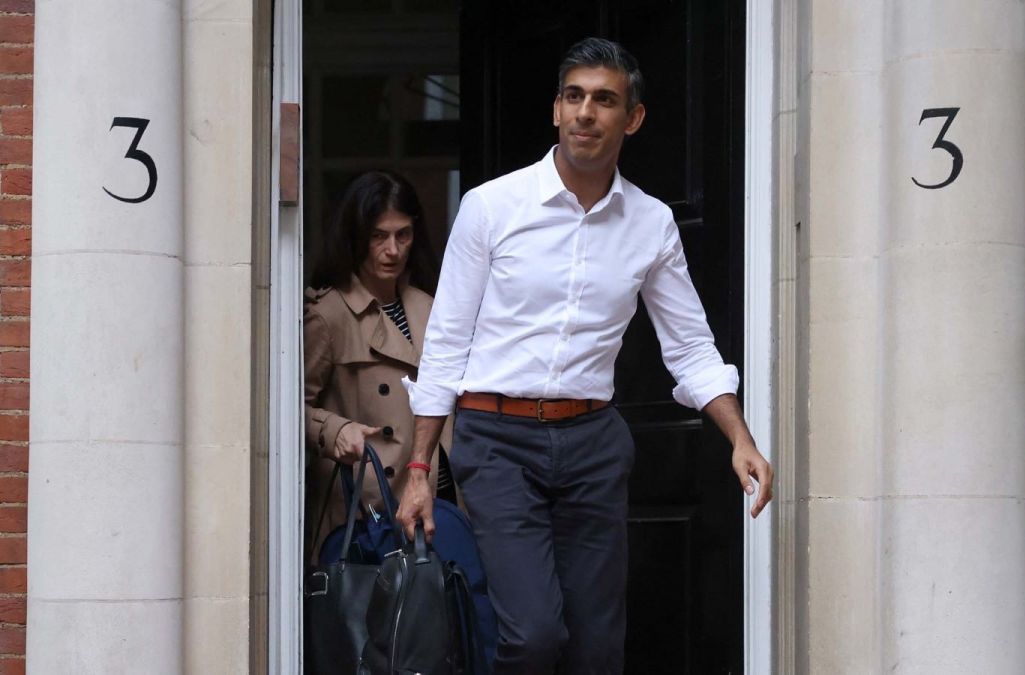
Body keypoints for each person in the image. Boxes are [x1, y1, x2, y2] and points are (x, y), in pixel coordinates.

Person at [399, 37, 774, 673]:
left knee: (598, 648)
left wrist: (738, 436)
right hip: (496, 441)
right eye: (573, 96)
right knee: (536, 636)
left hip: (593, 442)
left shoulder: (651, 224)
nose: (585, 113)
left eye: (604, 100)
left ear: (633, 118)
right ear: (554, 109)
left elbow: (688, 345)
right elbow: (446, 344)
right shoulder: (491, 207)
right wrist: (419, 467)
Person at [304, 171, 454, 562]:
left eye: (402, 235)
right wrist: (334, 429)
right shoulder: (328, 315)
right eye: (378, 236)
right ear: (355, 238)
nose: (393, 250)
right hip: (365, 509)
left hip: (436, 500)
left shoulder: (431, 307)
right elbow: (287, 410)